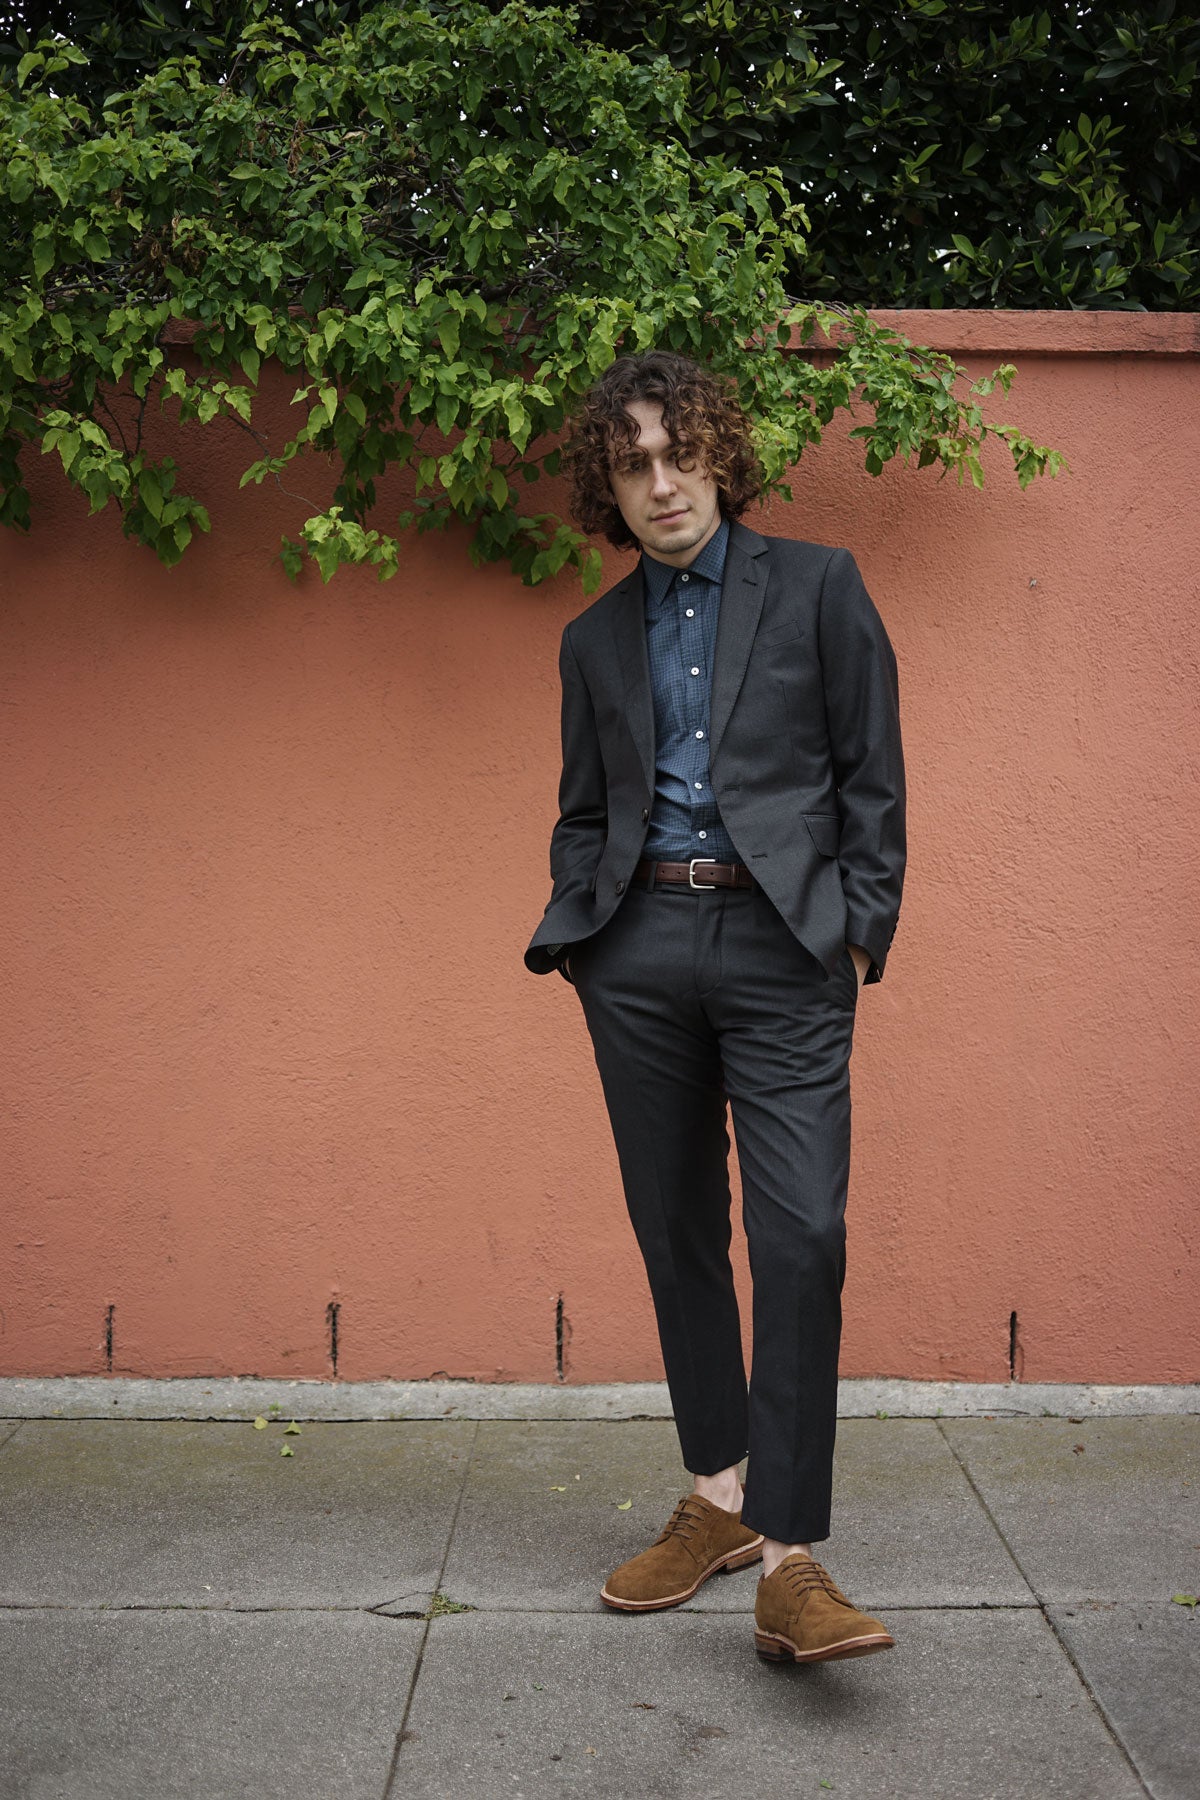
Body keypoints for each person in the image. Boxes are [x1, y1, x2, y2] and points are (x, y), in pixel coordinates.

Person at [525, 350, 906, 1665]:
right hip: (638, 950)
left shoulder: (818, 588)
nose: (661, 481)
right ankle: (724, 1496)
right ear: (609, 487)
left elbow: (873, 775)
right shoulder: (591, 640)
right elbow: (584, 807)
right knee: (676, 1225)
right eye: (632, 463)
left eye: (678, 452)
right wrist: (590, 926)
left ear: (719, 457)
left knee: (803, 1233)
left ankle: (793, 1562)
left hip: (784, 944)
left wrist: (859, 929)